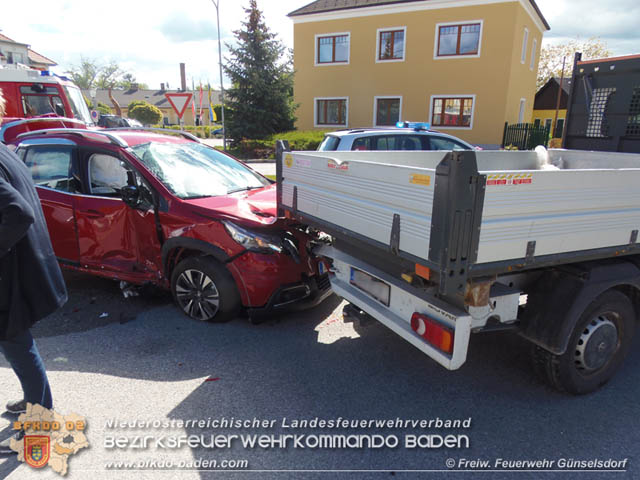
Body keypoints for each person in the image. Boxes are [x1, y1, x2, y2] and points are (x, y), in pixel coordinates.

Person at [0, 88, 67, 454]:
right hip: (21, 265)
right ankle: (33, 404)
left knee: (17, 343)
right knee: (16, 343)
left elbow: (19, 212)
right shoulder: (5, 151)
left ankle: (41, 424)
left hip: (9, 272)